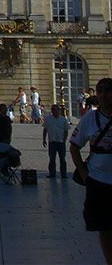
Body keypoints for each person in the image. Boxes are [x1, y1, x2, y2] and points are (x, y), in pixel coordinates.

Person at [70, 77, 112, 264]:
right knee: (105, 227)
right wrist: (85, 175)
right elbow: (74, 146)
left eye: (108, 91)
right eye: (100, 91)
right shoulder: (91, 117)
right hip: (99, 180)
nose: (103, 96)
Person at [43, 104, 69, 178]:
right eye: (52, 109)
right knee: (52, 159)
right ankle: (52, 173)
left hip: (61, 142)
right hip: (52, 142)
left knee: (62, 159)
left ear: (58, 110)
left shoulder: (63, 119)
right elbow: (45, 130)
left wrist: (64, 139)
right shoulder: (48, 119)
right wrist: (44, 139)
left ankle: (63, 174)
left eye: (54, 109)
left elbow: (66, 130)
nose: (53, 111)